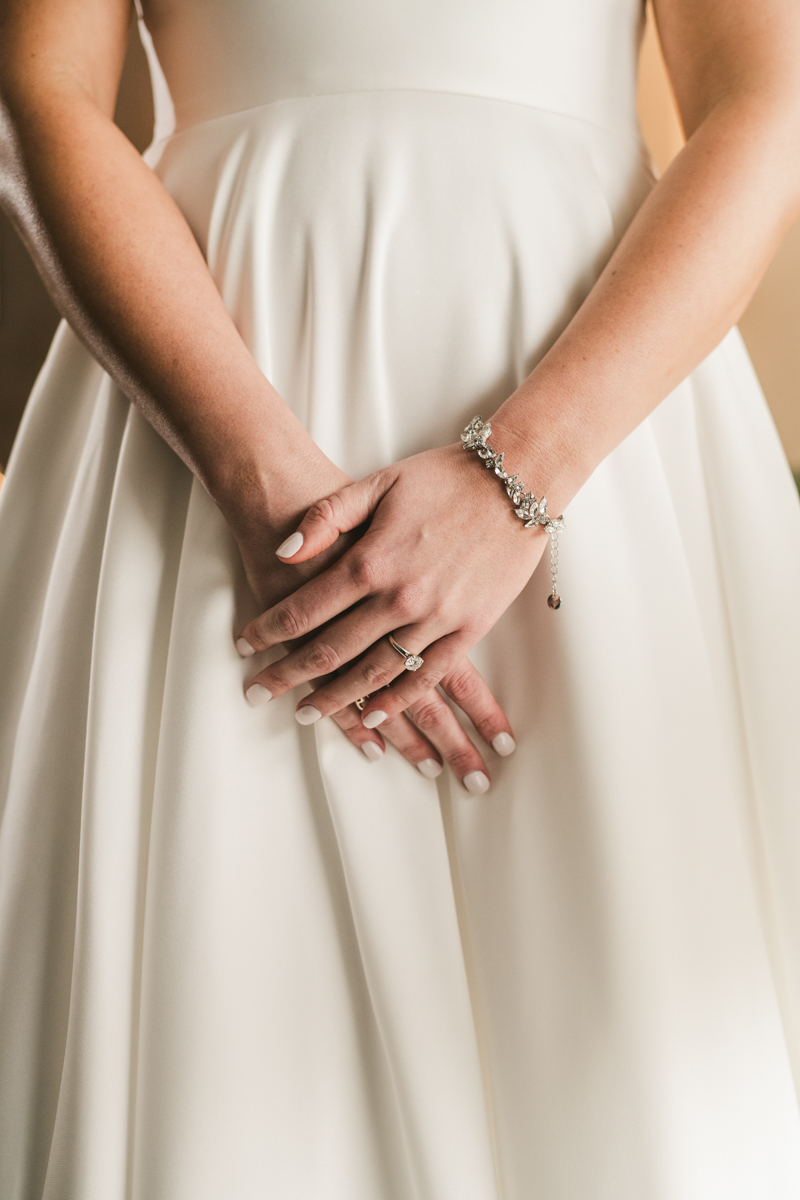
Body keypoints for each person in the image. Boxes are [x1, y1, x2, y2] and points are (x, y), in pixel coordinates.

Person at [2, 0, 800, 1194]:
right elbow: (43, 95)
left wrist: (521, 475)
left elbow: (762, 100)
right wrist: (259, 481)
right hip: (208, 380)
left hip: (595, 393)